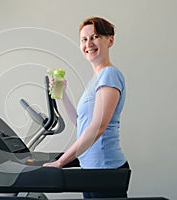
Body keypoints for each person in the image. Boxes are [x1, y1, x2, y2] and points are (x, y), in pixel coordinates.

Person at [43, 17, 130, 198]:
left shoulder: (110, 75)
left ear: (110, 40)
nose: (88, 43)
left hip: (105, 169)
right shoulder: (95, 80)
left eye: (95, 37)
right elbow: (80, 123)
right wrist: (63, 93)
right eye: (84, 39)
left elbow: (98, 126)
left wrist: (61, 162)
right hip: (91, 169)